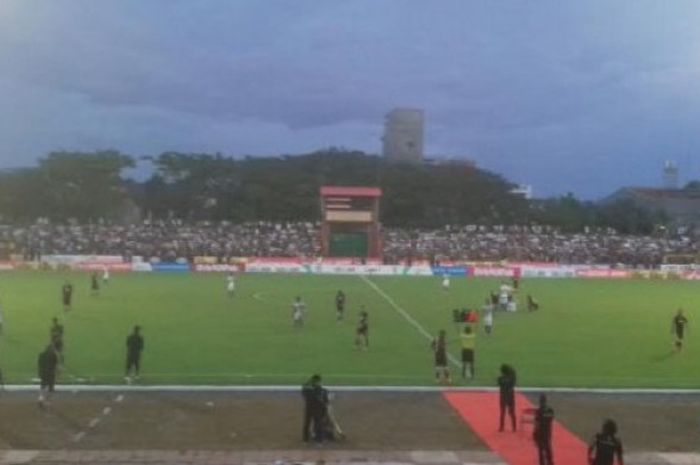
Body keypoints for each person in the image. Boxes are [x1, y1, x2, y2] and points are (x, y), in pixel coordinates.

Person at [301, 374, 325, 443]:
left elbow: (304, 392)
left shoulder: (306, 387)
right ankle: (319, 440)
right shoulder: (319, 389)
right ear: (317, 381)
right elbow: (320, 399)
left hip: (308, 408)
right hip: (317, 409)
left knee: (307, 423)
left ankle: (305, 440)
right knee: (318, 423)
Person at [533, 394, 554, 465]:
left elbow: (536, 423)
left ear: (540, 401)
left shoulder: (538, 411)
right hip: (547, 432)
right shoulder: (550, 410)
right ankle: (550, 463)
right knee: (548, 449)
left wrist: (534, 434)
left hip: (540, 433)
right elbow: (551, 420)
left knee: (541, 452)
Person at [37, 344, 59, 408]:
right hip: (51, 374)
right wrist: (58, 374)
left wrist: (39, 373)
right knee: (51, 388)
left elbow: (39, 365)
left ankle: (40, 398)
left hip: (43, 373)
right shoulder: (54, 355)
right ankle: (48, 401)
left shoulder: (41, 355)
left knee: (43, 386)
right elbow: (56, 366)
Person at [498, 364, 517, 432]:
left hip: (503, 397)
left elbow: (500, 384)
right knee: (512, 412)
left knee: (502, 412)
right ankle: (514, 427)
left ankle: (501, 427)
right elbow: (513, 379)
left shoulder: (500, 378)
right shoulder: (511, 379)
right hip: (510, 396)